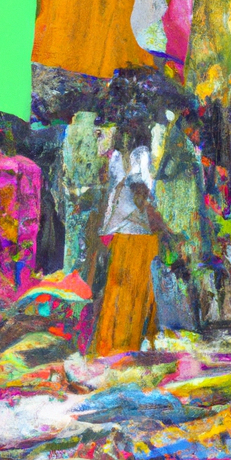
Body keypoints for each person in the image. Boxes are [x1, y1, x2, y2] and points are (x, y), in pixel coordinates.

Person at [92, 146, 176, 356]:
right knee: (132, 297)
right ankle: (124, 345)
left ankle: (114, 345)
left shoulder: (120, 172)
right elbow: (143, 203)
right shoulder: (138, 170)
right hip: (135, 243)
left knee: (120, 296)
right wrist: (166, 230)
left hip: (124, 240)